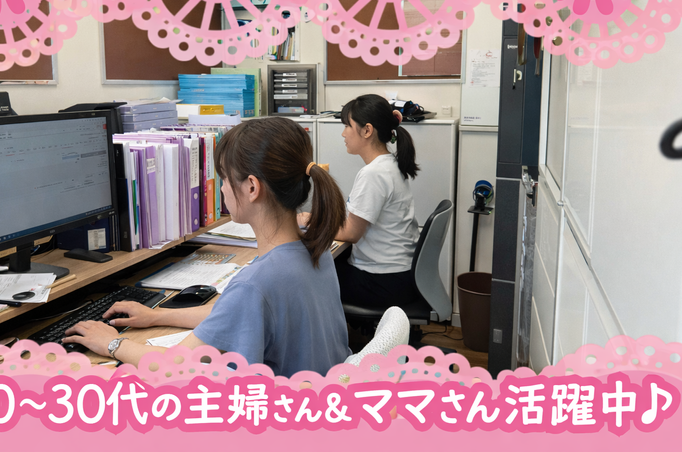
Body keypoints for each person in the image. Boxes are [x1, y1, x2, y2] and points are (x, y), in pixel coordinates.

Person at [63, 117, 352, 377]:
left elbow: (176, 366)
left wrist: (113, 343)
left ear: (252, 188)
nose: (222, 188)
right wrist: (156, 316)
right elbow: (233, 316)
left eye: (224, 178)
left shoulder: (256, 284)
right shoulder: (316, 247)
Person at [299, 94, 421, 309]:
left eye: (347, 125)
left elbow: (351, 234)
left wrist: (309, 222)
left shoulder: (373, 173)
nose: (343, 133)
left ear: (367, 130)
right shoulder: (390, 165)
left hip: (383, 281)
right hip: (399, 276)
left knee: (307, 276)